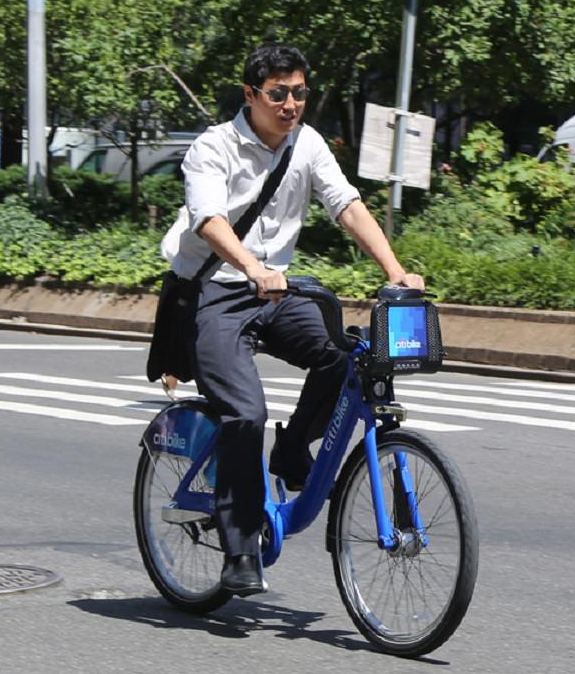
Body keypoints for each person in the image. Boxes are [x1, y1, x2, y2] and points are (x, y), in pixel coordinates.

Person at [162, 44, 425, 596]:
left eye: (299, 92)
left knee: (344, 354)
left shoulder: (307, 145)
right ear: (251, 95)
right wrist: (254, 266)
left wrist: (396, 271)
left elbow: (347, 205)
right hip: (215, 294)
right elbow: (210, 221)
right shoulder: (213, 147)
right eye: (278, 93)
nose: (291, 104)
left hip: (276, 293)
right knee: (244, 411)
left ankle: (291, 449)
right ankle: (238, 547)